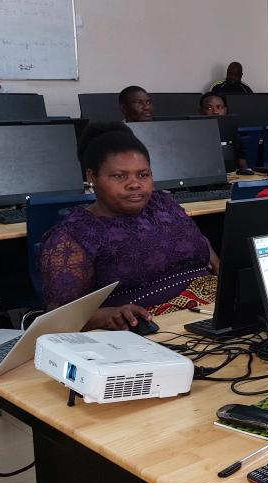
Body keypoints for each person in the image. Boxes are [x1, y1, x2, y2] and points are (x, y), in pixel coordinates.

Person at [39, 123, 220, 330]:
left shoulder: (163, 204)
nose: (134, 184)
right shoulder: (72, 236)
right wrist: (106, 316)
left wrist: (212, 257)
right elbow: (58, 316)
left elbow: (197, 244)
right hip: (153, 329)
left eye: (143, 175)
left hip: (211, 314)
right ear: (92, 177)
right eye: (119, 176)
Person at [200, 93, 250, 172]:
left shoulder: (233, 134)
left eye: (219, 107)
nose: (215, 112)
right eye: (209, 108)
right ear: (201, 111)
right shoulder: (193, 136)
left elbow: (243, 166)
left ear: (225, 110)